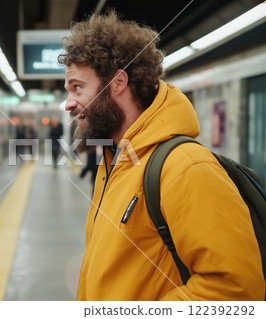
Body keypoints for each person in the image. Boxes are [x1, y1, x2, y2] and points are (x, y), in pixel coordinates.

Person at [59, 11, 264, 300]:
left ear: (117, 83)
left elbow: (236, 290)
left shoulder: (187, 168)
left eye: (77, 87)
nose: (68, 103)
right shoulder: (116, 162)